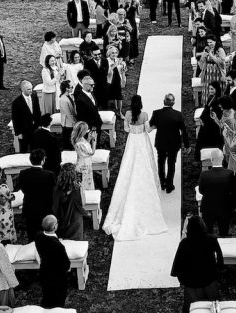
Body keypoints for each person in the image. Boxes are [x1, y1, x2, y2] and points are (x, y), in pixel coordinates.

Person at [104, 95, 168, 240]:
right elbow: (148, 129)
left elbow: (126, 130)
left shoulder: (127, 114)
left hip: (132, 141)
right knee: (146, 163)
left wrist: (133, 128)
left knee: (129, 162)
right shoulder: (144, 115)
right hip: (142, 141)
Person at [170, 215, 224, 313]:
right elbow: (220, 257)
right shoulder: (211, 239)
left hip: (191, 281)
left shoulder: (184, 243)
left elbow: (178, 262)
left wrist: (182, 279)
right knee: (213, 306)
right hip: (209, 278)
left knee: (191, 308)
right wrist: (218, 271)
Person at [151, 93, 189, 193]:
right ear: (173, 103)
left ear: (164, 101)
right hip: (174, 143)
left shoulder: (156, 113)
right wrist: (187, 144)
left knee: (161, 162)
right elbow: (184, 131)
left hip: (161, 142)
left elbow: (151, 124)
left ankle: (162, 183)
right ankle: (169, 185)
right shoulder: (178, 114)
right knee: (171, 163)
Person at [18, 148, 56, 239]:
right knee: (46, 234)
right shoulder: (49, 175)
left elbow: (22, 189)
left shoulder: (23, 173)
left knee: (31, 234)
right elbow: (52, 191)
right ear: (43, 160)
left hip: (29, 206)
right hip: (45, 208)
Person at [35, 215, 71, 308]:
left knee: (47, 294)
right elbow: (66, 264)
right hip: (58, 276)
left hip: (44, 271)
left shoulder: (39, 236)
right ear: (54, 227)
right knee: (59, 298)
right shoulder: (58, 246)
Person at [198, 148, 233, 236]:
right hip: (225, 207)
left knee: (207, 233)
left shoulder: (204, 174)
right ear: (222, 158)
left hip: (208, 207)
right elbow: (232, 190)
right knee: (224, 232)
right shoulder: (229, 173)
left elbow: (201, 190)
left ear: (211, 159)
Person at [53, 163, 87, 240]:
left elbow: (54, 207)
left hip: (62, 219)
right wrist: (82, 189)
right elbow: (83, 204)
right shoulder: (77, 188)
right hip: (75, 219)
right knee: (76, 241)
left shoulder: (56, 189)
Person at [11, 80, 44, 154]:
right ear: (22, 89)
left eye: (31, 88)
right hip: (24, 130)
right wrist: (18, 133)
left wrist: (39, 125)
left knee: (35, 147)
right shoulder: (17, 103)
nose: (31, 91)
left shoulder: (34, 97)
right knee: (24, 149)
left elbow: (38, 112)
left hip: (34, 128)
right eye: (28, 89)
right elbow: (15, 119)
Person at [194, 95, 224, 165]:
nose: (210, 90)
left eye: (212, 89)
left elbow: (222, 126)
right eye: (210, 89)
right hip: (210, 124)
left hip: (214, 128)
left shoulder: (218, 107)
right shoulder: (211, 99)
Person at [197, 36, 227, 101]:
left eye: (211, 42)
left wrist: (212, 56)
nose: (209, 44)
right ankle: (207, 102)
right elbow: (202, 61)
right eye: (208, 42)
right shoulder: (206, 48)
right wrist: (203, 57)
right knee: (208, 86)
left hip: (217, 72)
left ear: (215, 41)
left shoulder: (220, 50)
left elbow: (222, 62)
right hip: (208, 71)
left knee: (217, 86)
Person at [71, 121, 97, 192]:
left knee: (83, 180)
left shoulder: (77, 139)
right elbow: (91, 152)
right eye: (86, 130)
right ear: (83, 131)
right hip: (85, 164)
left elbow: (85, 148)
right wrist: (94, 140)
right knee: (86, 181)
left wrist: (89, 138)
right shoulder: (81, 142)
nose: (87, 131)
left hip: (81, 161)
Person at [106, 44, 126, 118]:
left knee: (119, 96)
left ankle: (120, 112)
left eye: (115, 53)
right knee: (111, 96)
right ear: (109, 54)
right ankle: (113, 110)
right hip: (110, 80)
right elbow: (107, 72)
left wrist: (123, 67)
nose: (114, 54)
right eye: (112, 53)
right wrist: (114, 65)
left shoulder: (118, 59)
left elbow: (122, 68)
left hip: (117, 79)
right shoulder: (106, 61)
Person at [57, 80, 77, 150]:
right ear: (67, 88)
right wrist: (75, 122)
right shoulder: (63, 99)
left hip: (70, 123)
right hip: (67, 124)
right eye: (71, 87)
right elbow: (68, 114)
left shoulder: (69, 96)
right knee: (68, 143)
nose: (73, 88)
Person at [124, 0, 141, 65]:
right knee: (129, 38)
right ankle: (129, 54)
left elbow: (138, 13)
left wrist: (138, 7)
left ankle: (133, 54)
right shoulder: (125, 6)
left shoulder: (135, 4)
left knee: (133, 38)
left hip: (132, 22)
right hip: (127, 22)